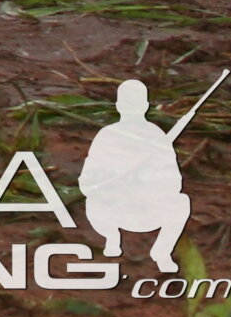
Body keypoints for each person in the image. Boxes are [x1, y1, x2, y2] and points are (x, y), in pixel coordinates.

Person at [79, 78, 193, 269]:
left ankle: (162, 252)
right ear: (118, 105)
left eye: (136, 103)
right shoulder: (108, 135)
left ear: (146, 106)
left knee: (182, 203)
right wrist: (113, 179)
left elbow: (174, 182)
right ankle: (112, 238)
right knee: (93, 201)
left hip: (148, 208)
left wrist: (145, 182)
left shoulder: (157, 137)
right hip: (114, 207)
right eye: (127, 103)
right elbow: (87, 182)